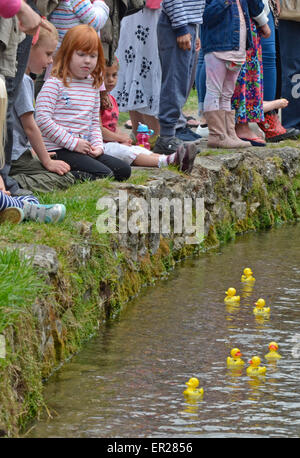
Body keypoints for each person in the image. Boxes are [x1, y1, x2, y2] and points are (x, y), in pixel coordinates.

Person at [35, 24, 131, 182]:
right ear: (67, 54)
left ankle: (84, 169)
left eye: (93, 56)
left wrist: (98, 146)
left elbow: (93, 122)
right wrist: (73, 143)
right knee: (104, 175)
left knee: (123, 170)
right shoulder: (55, 83)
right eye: (81, 55)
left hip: (82, 148)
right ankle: (64, 177)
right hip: (58, 149)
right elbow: (42, 119)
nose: (87, 61)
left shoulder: (92, 84)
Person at [8, 18, 75, 193]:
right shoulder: (22, 80)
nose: (51, 60)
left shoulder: (14, 77)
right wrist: (47, 161)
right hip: (15, 157)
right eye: (48, 53)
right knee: (66, 178)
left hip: (16, 153)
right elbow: (29, 126)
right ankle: (13, 183)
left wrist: (37, 154)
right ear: (30, 47)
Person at [101, 57, 198, 173]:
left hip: (111, 142)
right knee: (127, 153)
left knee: (138, 149)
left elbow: (112, 127)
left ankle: (176, 159)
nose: (110, 80)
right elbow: (99, 129)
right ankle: (169, 161)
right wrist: (119, 138)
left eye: (114, 75)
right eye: (106, 76)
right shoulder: (96, 100)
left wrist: (122, 138)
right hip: (100, 145)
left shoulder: (111, 99)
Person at [201, 0, 270, 149]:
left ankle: (229, 133)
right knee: (214, 90)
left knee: (227, 93)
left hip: (238, 49)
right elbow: (205, 15)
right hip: (217, 48)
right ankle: (217, 135)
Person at [153, 0, 206, 155]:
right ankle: (166, 137)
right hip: (177, 24)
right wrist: (181, 27)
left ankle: (170, 135)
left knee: (182, 81)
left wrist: (194, 29)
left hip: (189, 23)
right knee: (174, 82)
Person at [112, 1, 162, 150]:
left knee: (142, 64)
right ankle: (148, 135)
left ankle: (145, 135)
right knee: (137, 64)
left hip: (144, 12)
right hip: (137, 11)